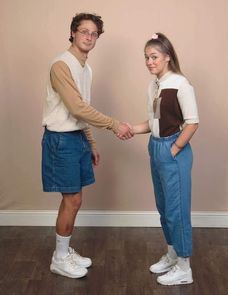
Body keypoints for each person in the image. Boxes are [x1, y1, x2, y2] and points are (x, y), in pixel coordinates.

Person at [41, 13, 133, 279]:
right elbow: (76, 107)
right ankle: (59, 258)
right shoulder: (61, 64)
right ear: (72, 32)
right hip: (61, 140)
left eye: (94, 34)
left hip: (77, 139)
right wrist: (115, 125)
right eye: (84, 31)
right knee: (72, 199)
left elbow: (83, 111)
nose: (89, 37)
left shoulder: (86, 68)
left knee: (75, 200)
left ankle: (64, 251)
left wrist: (90, 141)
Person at [131, 33, 199, 285]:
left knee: (176, 210)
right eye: (146, 57)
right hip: (156, 147)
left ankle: (184, 267)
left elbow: (192, 122)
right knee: (163, 208)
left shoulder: (181, 84)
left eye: (154, 57)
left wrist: (174, 149)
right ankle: (172, 254)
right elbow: (154, 123)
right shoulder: (154, 86)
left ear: (167, 57)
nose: (149, 62)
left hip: (174, 150)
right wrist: (130, 129)